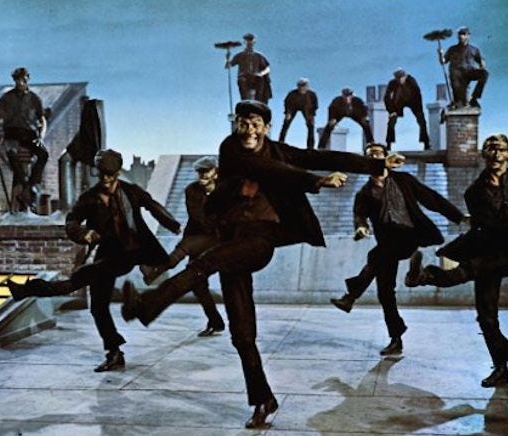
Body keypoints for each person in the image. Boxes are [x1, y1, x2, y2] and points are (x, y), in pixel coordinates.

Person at [120, 100, 406, 429]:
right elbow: (268, 170)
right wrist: (316, 182)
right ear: (236, 126)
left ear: (267, 128)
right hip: (231, 241)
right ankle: (263, 399)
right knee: (242, 335)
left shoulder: (278, 151)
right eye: (243, 123)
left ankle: (146, 306)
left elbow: (321, 157)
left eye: (256, 124)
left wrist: (377, 163)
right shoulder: (231, 149)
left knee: (205, 263)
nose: (249, 130)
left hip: (260, 239)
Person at [7, 150, 181, 372]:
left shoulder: (131, 192)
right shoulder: (89, 198)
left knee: (81, 276)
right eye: (102, 175)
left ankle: (27, 290)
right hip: (105, 254)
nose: (106, 180)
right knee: (98, 306)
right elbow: (71, 221)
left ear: (117, 173)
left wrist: (173, 225)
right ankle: (114, 353)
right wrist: (84, 233)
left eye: (111, 175)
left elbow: (154, 206)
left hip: (130, 252)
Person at [330, 142, 465, 355]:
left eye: (378, 154)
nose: (374, 158)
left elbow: (431, 198)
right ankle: (396, 338)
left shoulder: (404, 180)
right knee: (385, 292)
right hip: (387, 243)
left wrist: (458, 216)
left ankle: (351, 296)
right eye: (369, 155)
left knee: (376, 255)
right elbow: (359, 216)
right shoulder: (364, 193)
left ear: (386, 158)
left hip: (411, 235)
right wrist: (361, 228)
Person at [405, 134, 508, 388]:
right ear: (484, 154)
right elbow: (480, 231)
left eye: (501, 149)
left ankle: (425, 276)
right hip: (492, 254)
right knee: (486, 317)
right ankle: (501, 368)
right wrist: (450, 250)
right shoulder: (474, 193)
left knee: (472, 268)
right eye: (491, 149)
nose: (496, 154)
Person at [140, 156, 225, 337]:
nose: (202, 175)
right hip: (197, 237)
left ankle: (156, 270)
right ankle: (215, 321)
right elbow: (198, 217)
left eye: (206, 171)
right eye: (199, 171)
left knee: (186, 248)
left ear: (216, 173)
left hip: (217, 239)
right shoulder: (191, 190)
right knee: (198, 284)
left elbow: (219, 222)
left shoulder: (225, 191)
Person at [0, 67, 48, 209]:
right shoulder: (7, 97)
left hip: (29, 134)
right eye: (18, 80)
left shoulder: (34, 98)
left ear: (27, 79)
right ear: (14, 81)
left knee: (43, 154)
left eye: (23, 80)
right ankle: (26, 186)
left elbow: (42, 119)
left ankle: (31, 185)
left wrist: (41, 136)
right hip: (12, 132)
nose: (20, 83)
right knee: (11, 154)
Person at [439, 26, 488, 108]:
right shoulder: (452, 49)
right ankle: (457, 102)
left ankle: (474, 98)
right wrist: (440, 54)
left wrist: (482, 64)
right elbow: (443, 61)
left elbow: (481, 61)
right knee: (461, 102)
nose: (461, 36)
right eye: (460, 34)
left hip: (469, 72)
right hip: (456, 75)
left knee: (484, 74)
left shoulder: (474, 49)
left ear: (468, 36)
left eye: (464, 34)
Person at [384, 68, 430, 150]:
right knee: (391, 121)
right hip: (398, 102)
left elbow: (418, 95)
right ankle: (388, 144)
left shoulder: (412, 81)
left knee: (422, 121)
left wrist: (419, 110)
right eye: (397, 78)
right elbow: (386, 97)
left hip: (413, 101)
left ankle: (426, 143)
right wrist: (391, 111)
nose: (399, 80)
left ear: (405, 77)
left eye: (401, 78)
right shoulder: (392, 83)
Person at [226, 33, 272, 103]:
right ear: (244, 42)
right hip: (244, 77)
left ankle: (258, 103)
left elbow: (267, 68)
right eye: (247, 41)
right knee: (242, 82)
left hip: (255, 77)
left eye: (250, 40)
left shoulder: (258, 56)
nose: (249, 42)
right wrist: (228, 58)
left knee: (259, 81)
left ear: (254, 42)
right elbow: (228, 66)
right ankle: (245, 102)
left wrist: (261, 73)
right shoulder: (240, 55)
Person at [278, 78, 319, 149]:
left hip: (307, 108)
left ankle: (310, 147)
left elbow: (315, 105)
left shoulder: (312, 94)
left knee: (311, 125)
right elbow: (287, 103)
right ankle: (281, 143)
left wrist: (312, 115)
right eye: (300, 86)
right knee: (286, 123)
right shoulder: (292, 94)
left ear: (307, 87)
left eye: (304, 86)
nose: (302, 88)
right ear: (298, 87)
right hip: (293, 107)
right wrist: (287, 112)